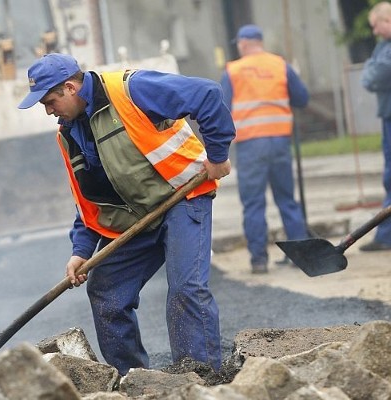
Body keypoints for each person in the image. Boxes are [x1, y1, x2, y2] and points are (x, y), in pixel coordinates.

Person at [18, 53, 235, 375]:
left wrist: (217, 156)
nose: (49, 111)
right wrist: (81, 251)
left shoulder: (131, 89)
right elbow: (90, 201)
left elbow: (207, 94)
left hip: (182, 197)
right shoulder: (68, 134)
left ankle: (200, 378)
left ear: (69, 87)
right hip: (136, 220)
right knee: (106, 293)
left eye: (50, 101)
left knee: (186, 289)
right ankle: (131, 379)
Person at [220, 24, 309, 274]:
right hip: (280, 141)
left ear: (243, 44)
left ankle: (259, 260)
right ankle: (300, 255)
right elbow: (302, 98)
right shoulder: (280, 65)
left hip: (250, 144)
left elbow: (221, 108)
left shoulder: (233, 70)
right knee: (287, 200)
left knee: (253, 204)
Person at [361, 1, 391, 252]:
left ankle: (386, 236)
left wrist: (375, 70)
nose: (374, 31)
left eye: (376, 26)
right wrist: (374, 69)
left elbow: (379, 74)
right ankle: (386, 235)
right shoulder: (383, 47)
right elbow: (370, 75)